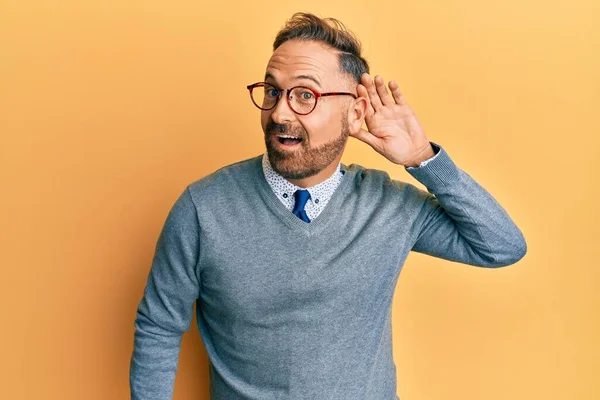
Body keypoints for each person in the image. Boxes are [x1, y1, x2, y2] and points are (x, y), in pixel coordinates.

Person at [129, 12, 527, 400]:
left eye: (305, 95)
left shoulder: (389, 205)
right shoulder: (203, 208)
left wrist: (423, 158)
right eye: (272, 91)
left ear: (354, 111)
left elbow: (501, 246)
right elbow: (159, 327)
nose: (280, 113)